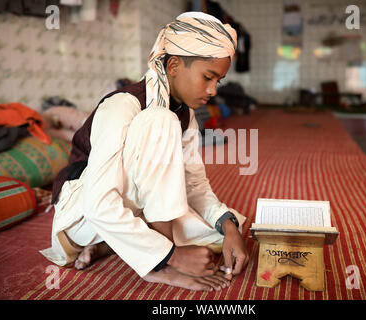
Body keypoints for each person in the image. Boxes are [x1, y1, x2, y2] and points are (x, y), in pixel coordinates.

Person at [40, 11, 249, 292]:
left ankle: (110, 245)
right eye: (207, 77)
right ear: (174, 65)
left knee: (217, 235)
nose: (212, 90)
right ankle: (157, 265)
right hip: (81, 217)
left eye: (218, 81)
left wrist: (228, 226)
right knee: (160, 121)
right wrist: (171, 256)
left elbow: (194, 183)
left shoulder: (184, 113)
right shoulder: (124, 104)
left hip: (131, 207)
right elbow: (97, 203)